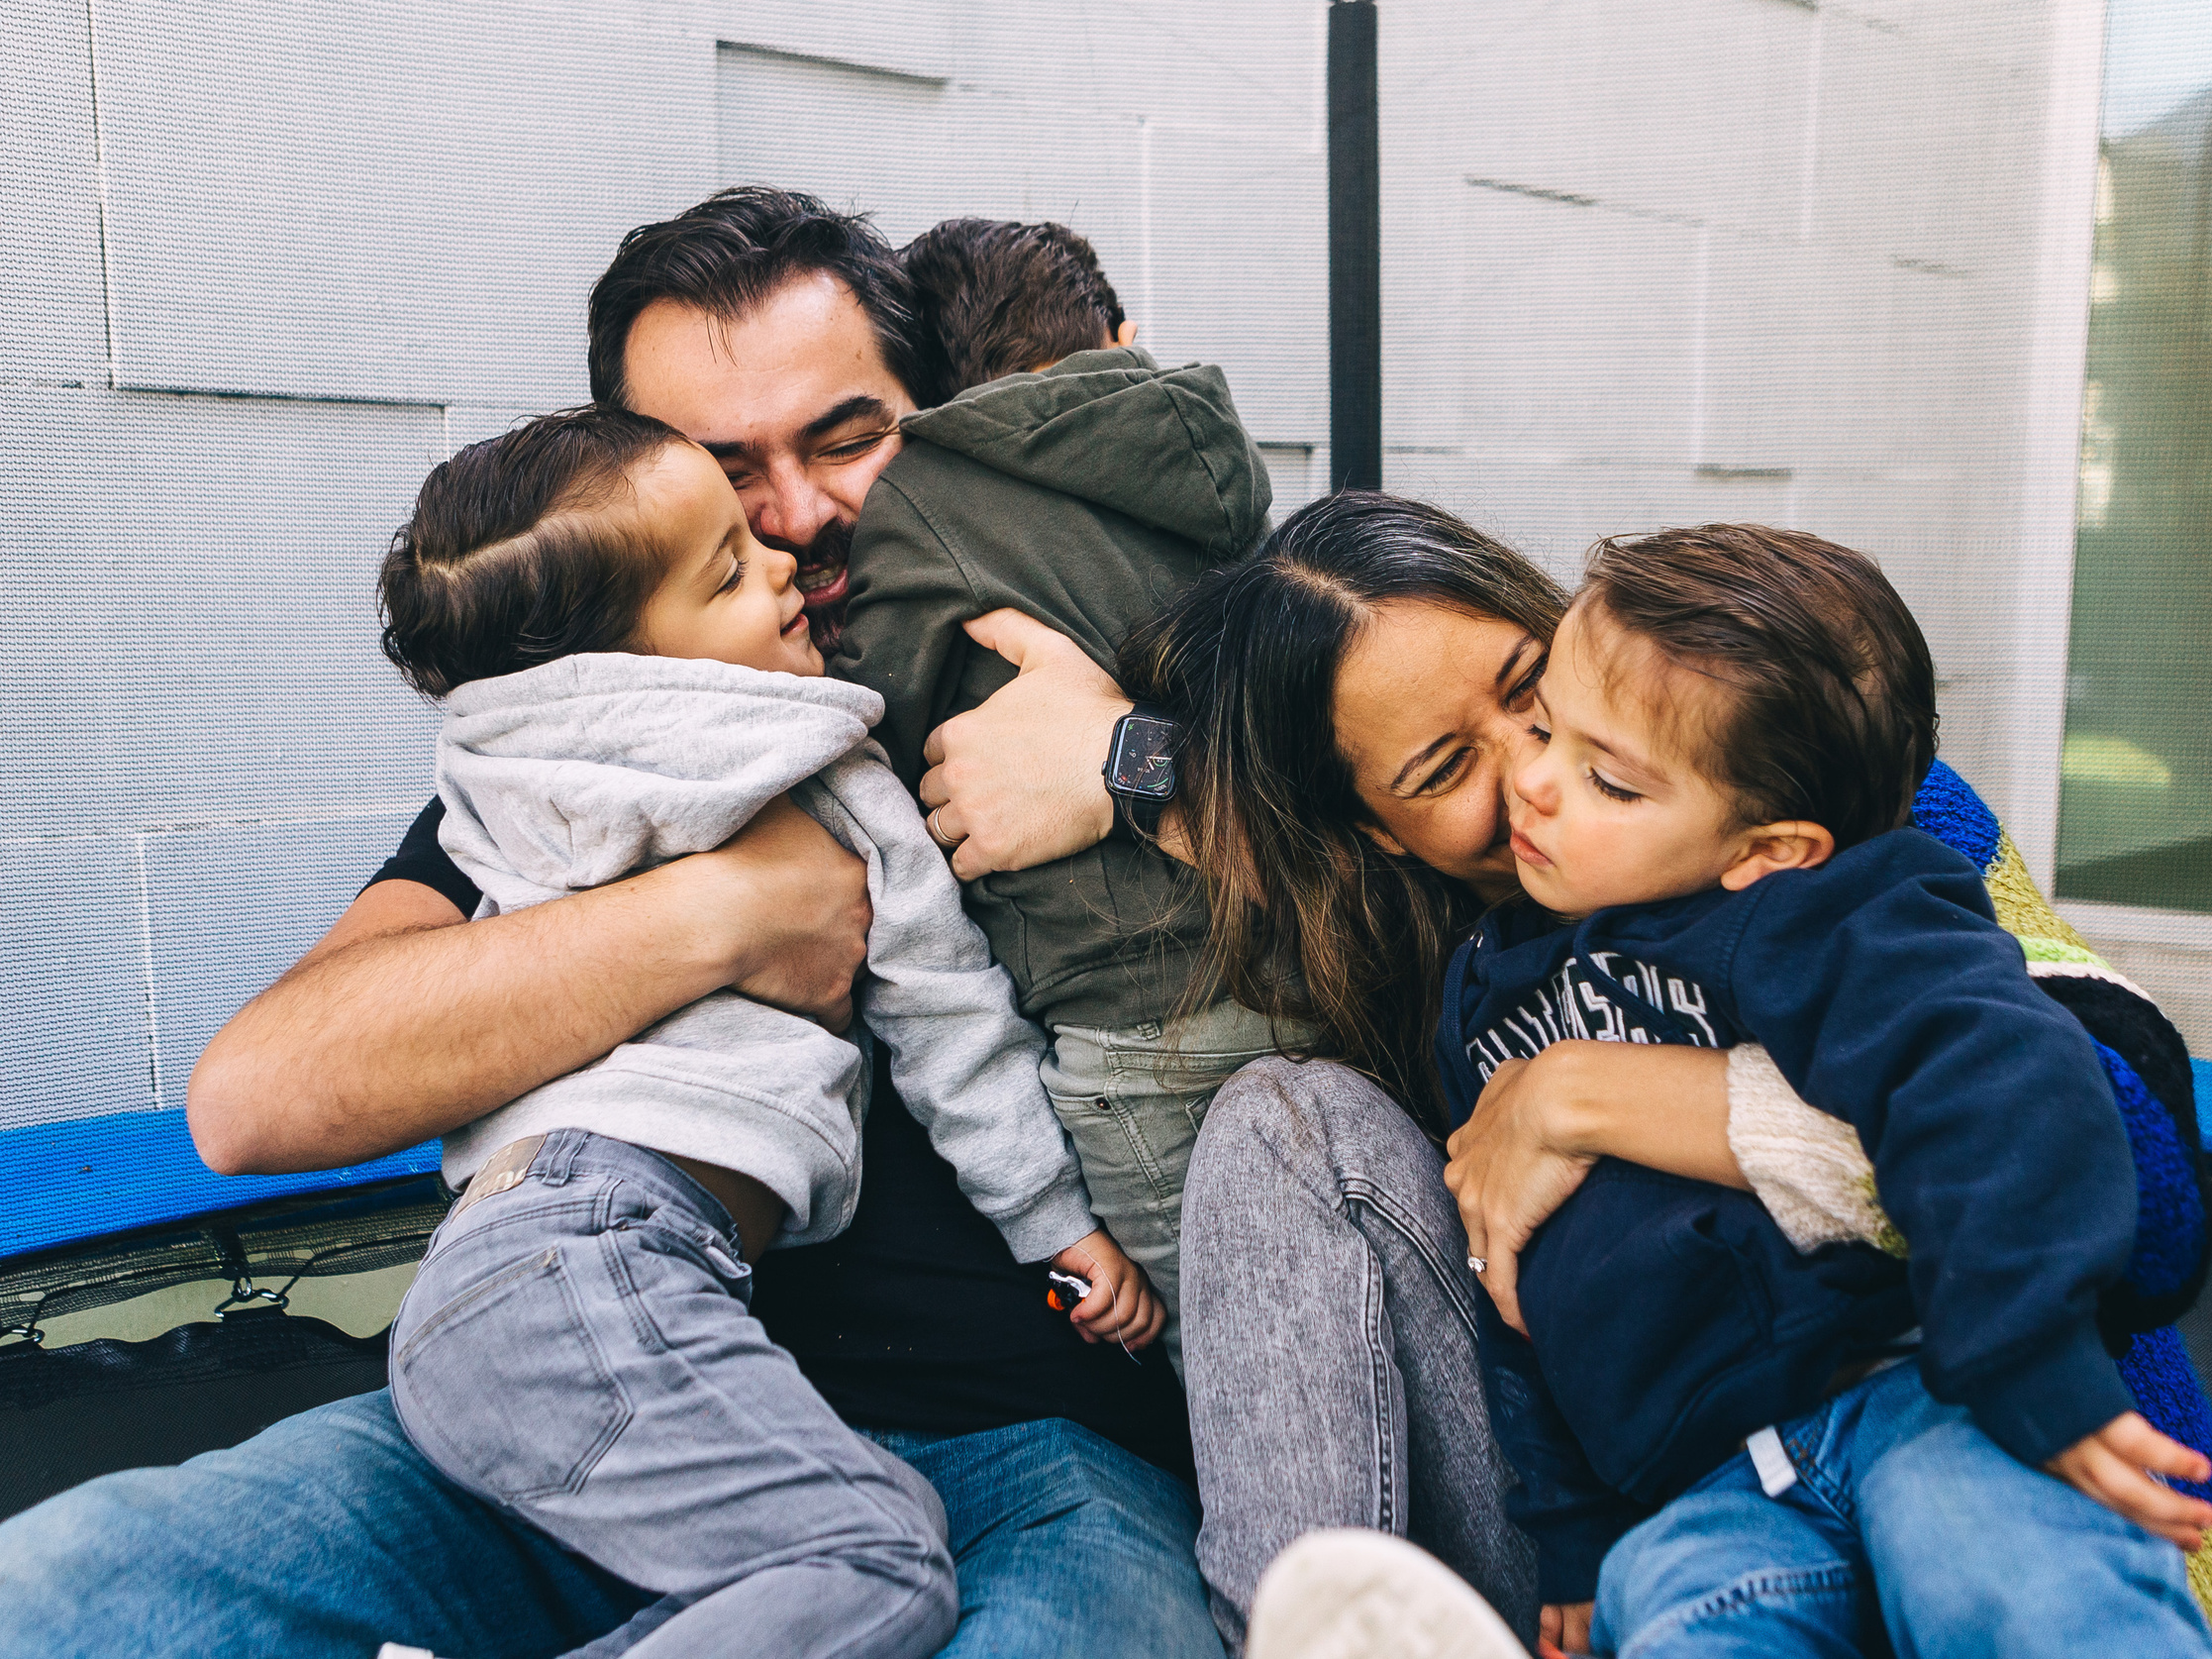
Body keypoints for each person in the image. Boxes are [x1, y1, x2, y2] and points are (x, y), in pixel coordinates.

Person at [0, 189, 1216, 1659]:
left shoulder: (1107, 637)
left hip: (1032, 1456)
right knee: (76, 1591)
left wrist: (1137, 763)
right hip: (592, 1410)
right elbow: (254, 1100)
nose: (799, 518)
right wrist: (726, 907)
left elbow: (1456, 839)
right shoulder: (621, 742)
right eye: (723, 477)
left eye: (848, 435)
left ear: (940, 410)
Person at [916, 493, 2212, 1657]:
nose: (1533, 771)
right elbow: (1539, 1309)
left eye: (1534, 692)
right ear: (1382, 834)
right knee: (1281, 1124)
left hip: (1989, 1429)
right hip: (1712, 1490)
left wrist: (1592, 1096)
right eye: (1451, 765)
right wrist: (1132, 759)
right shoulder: (1473, 968)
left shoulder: (1787, 772)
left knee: (1972, 1545)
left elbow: (2133, 1161)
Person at [369, 403, 1170, 1657]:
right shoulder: (817, 765)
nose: (786, 560)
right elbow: (954, 1032)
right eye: (731, 569)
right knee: (878, 1564)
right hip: (608, 1258)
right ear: (634, 668)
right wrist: (1063, 1233)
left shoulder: (499, 768)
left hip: (481, 1279)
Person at [1438, 523, 2212, 1657]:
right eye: (1546, 728)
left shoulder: (1838, 917)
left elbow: (2002, 1081)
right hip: (1706, 1485)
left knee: (2026, 1588)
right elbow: (1513, 1288)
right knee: (1686, 1627)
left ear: (1769, 848)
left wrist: (2027, 1360)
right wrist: (1572, 1533)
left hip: (1930, 1397)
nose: (1533, 780)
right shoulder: (1491, 995)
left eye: (1606, 778)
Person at [835, 217, 1289, 1370]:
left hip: (1134, 1029)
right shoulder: (1219, 467)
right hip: (1305, 963)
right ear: (1122, 339)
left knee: (1241, 1381)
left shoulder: (923, 499)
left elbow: (869, 731)